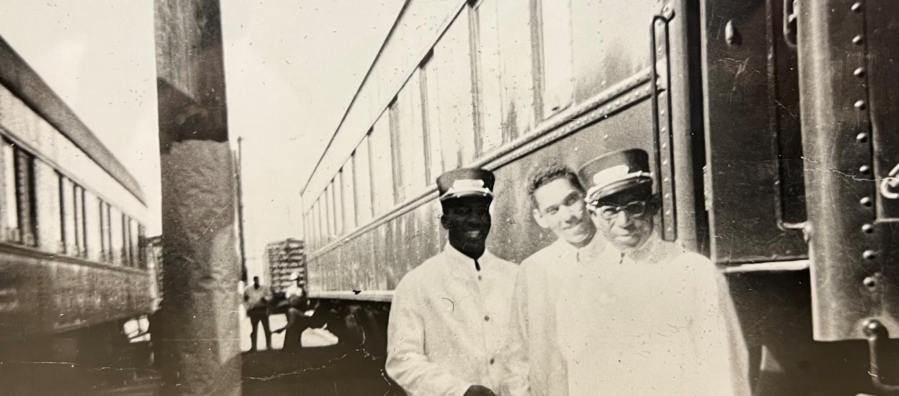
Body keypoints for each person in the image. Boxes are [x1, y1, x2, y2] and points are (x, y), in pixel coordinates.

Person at [554, 148, 749, 395]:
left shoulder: (694, 273)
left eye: (634, 207)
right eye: (610, 211)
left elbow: (723, 369)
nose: (624, 222)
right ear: (593, 216)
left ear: (654, 206)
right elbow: (581, 377)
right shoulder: (579, 287)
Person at [386, 168, 518, 396]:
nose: (475, 220)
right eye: (464, 211)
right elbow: (402, 360)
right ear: (445, 221)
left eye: (481, 211)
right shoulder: (417, 284)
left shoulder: (515, 276)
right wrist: (460, 391)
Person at [500, 161, 621, 396]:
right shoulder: (533, 270)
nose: (568, 217)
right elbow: (517, 356)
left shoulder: (621, 253)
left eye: (571, 201)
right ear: (540, 217)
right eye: (553, 210)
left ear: (586, 198)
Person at [243, 276, 273, 352]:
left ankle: (269, 345)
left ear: (259, 280)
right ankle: (253, 347)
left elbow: (270, 296)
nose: (256, 281)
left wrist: (265, 299)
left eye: (257, 280)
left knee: (266, 328)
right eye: (255, 280)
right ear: (253, 280)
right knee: (254, 329)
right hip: (254, 311)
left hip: (262, 310)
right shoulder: (248, 290)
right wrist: (247, 308)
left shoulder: (264, 288)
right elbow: (244, 299)